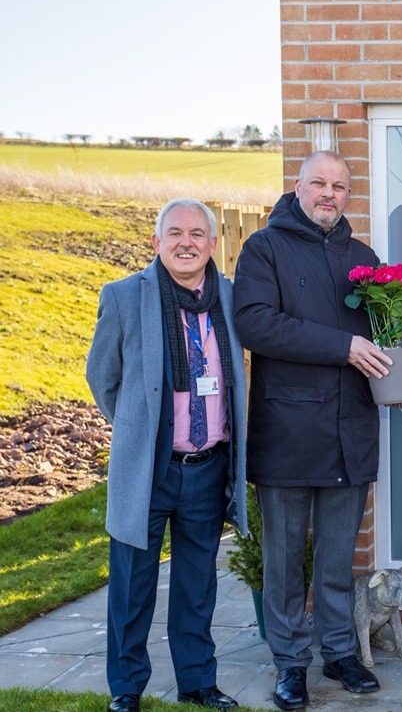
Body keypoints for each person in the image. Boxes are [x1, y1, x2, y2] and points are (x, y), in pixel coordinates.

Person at [233, 151, 393, 711]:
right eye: (320, 183)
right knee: (282, 562)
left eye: (340, 186)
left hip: (351, 428)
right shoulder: (263, 249)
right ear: (296, 186)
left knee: (335, 557)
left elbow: (384, 329)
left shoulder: (362, 257)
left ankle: (340, 651)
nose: (330, 194)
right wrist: (343, 346)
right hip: (288, 430)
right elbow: (255, 323)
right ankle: (290, 664)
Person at [86, 198, 248, 712]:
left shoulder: (229, 295)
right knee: (132, 585)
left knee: (197, 586)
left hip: (207, 466)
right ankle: (127, 688)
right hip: (147, 468)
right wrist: (138, 428)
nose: (186, 242)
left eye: (197, 234)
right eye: (174, 233)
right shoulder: (124, 296)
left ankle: (198, 683)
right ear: (156, 243)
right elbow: (101, 376)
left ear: (212, 245)